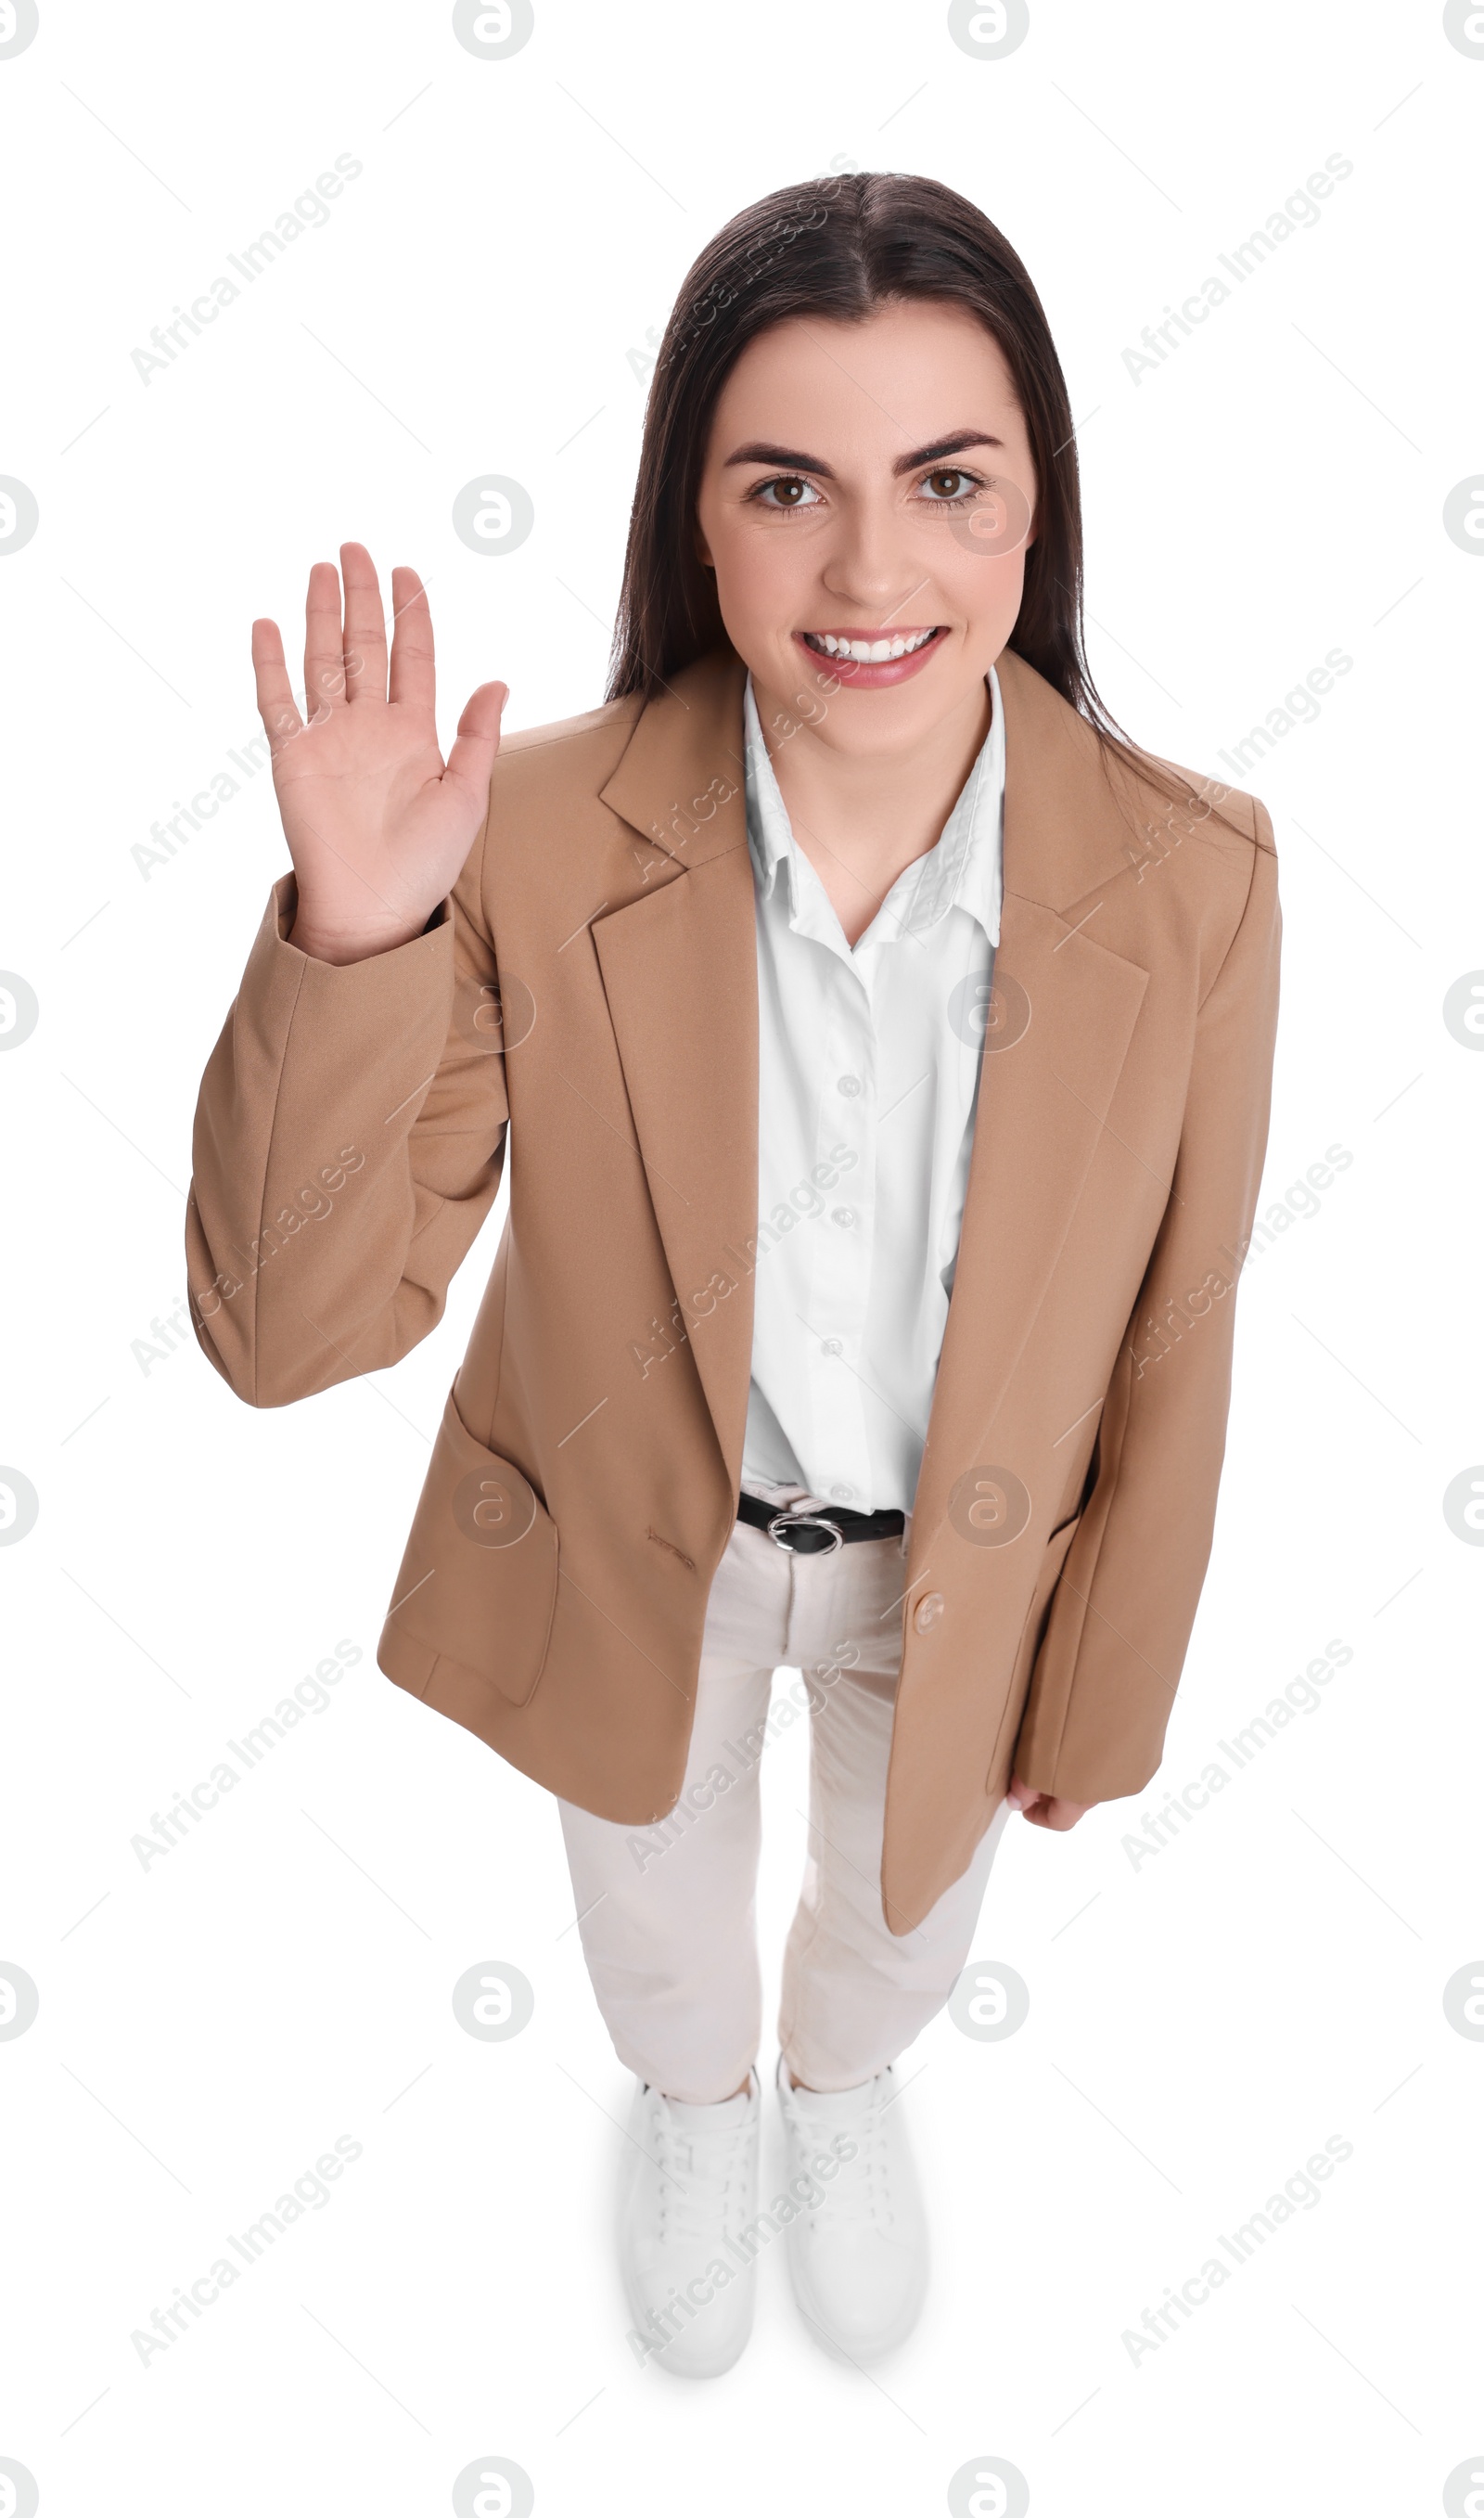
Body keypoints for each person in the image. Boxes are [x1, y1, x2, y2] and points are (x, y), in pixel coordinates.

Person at [186, 172, 1280, 2381]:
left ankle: (841, 2098)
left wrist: (1113, 1678)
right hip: (638, 1561)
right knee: (659, 1935)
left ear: (1030, 512)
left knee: (896, 1935)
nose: (870, 571)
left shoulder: (1195, 873)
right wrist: (358, 933)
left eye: (945, 485)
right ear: (695, 518)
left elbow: (1184, 1309)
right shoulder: (534, 828)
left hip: (956, 1577)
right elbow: (292, 1328)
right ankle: (695, 2112)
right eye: (786, 485)